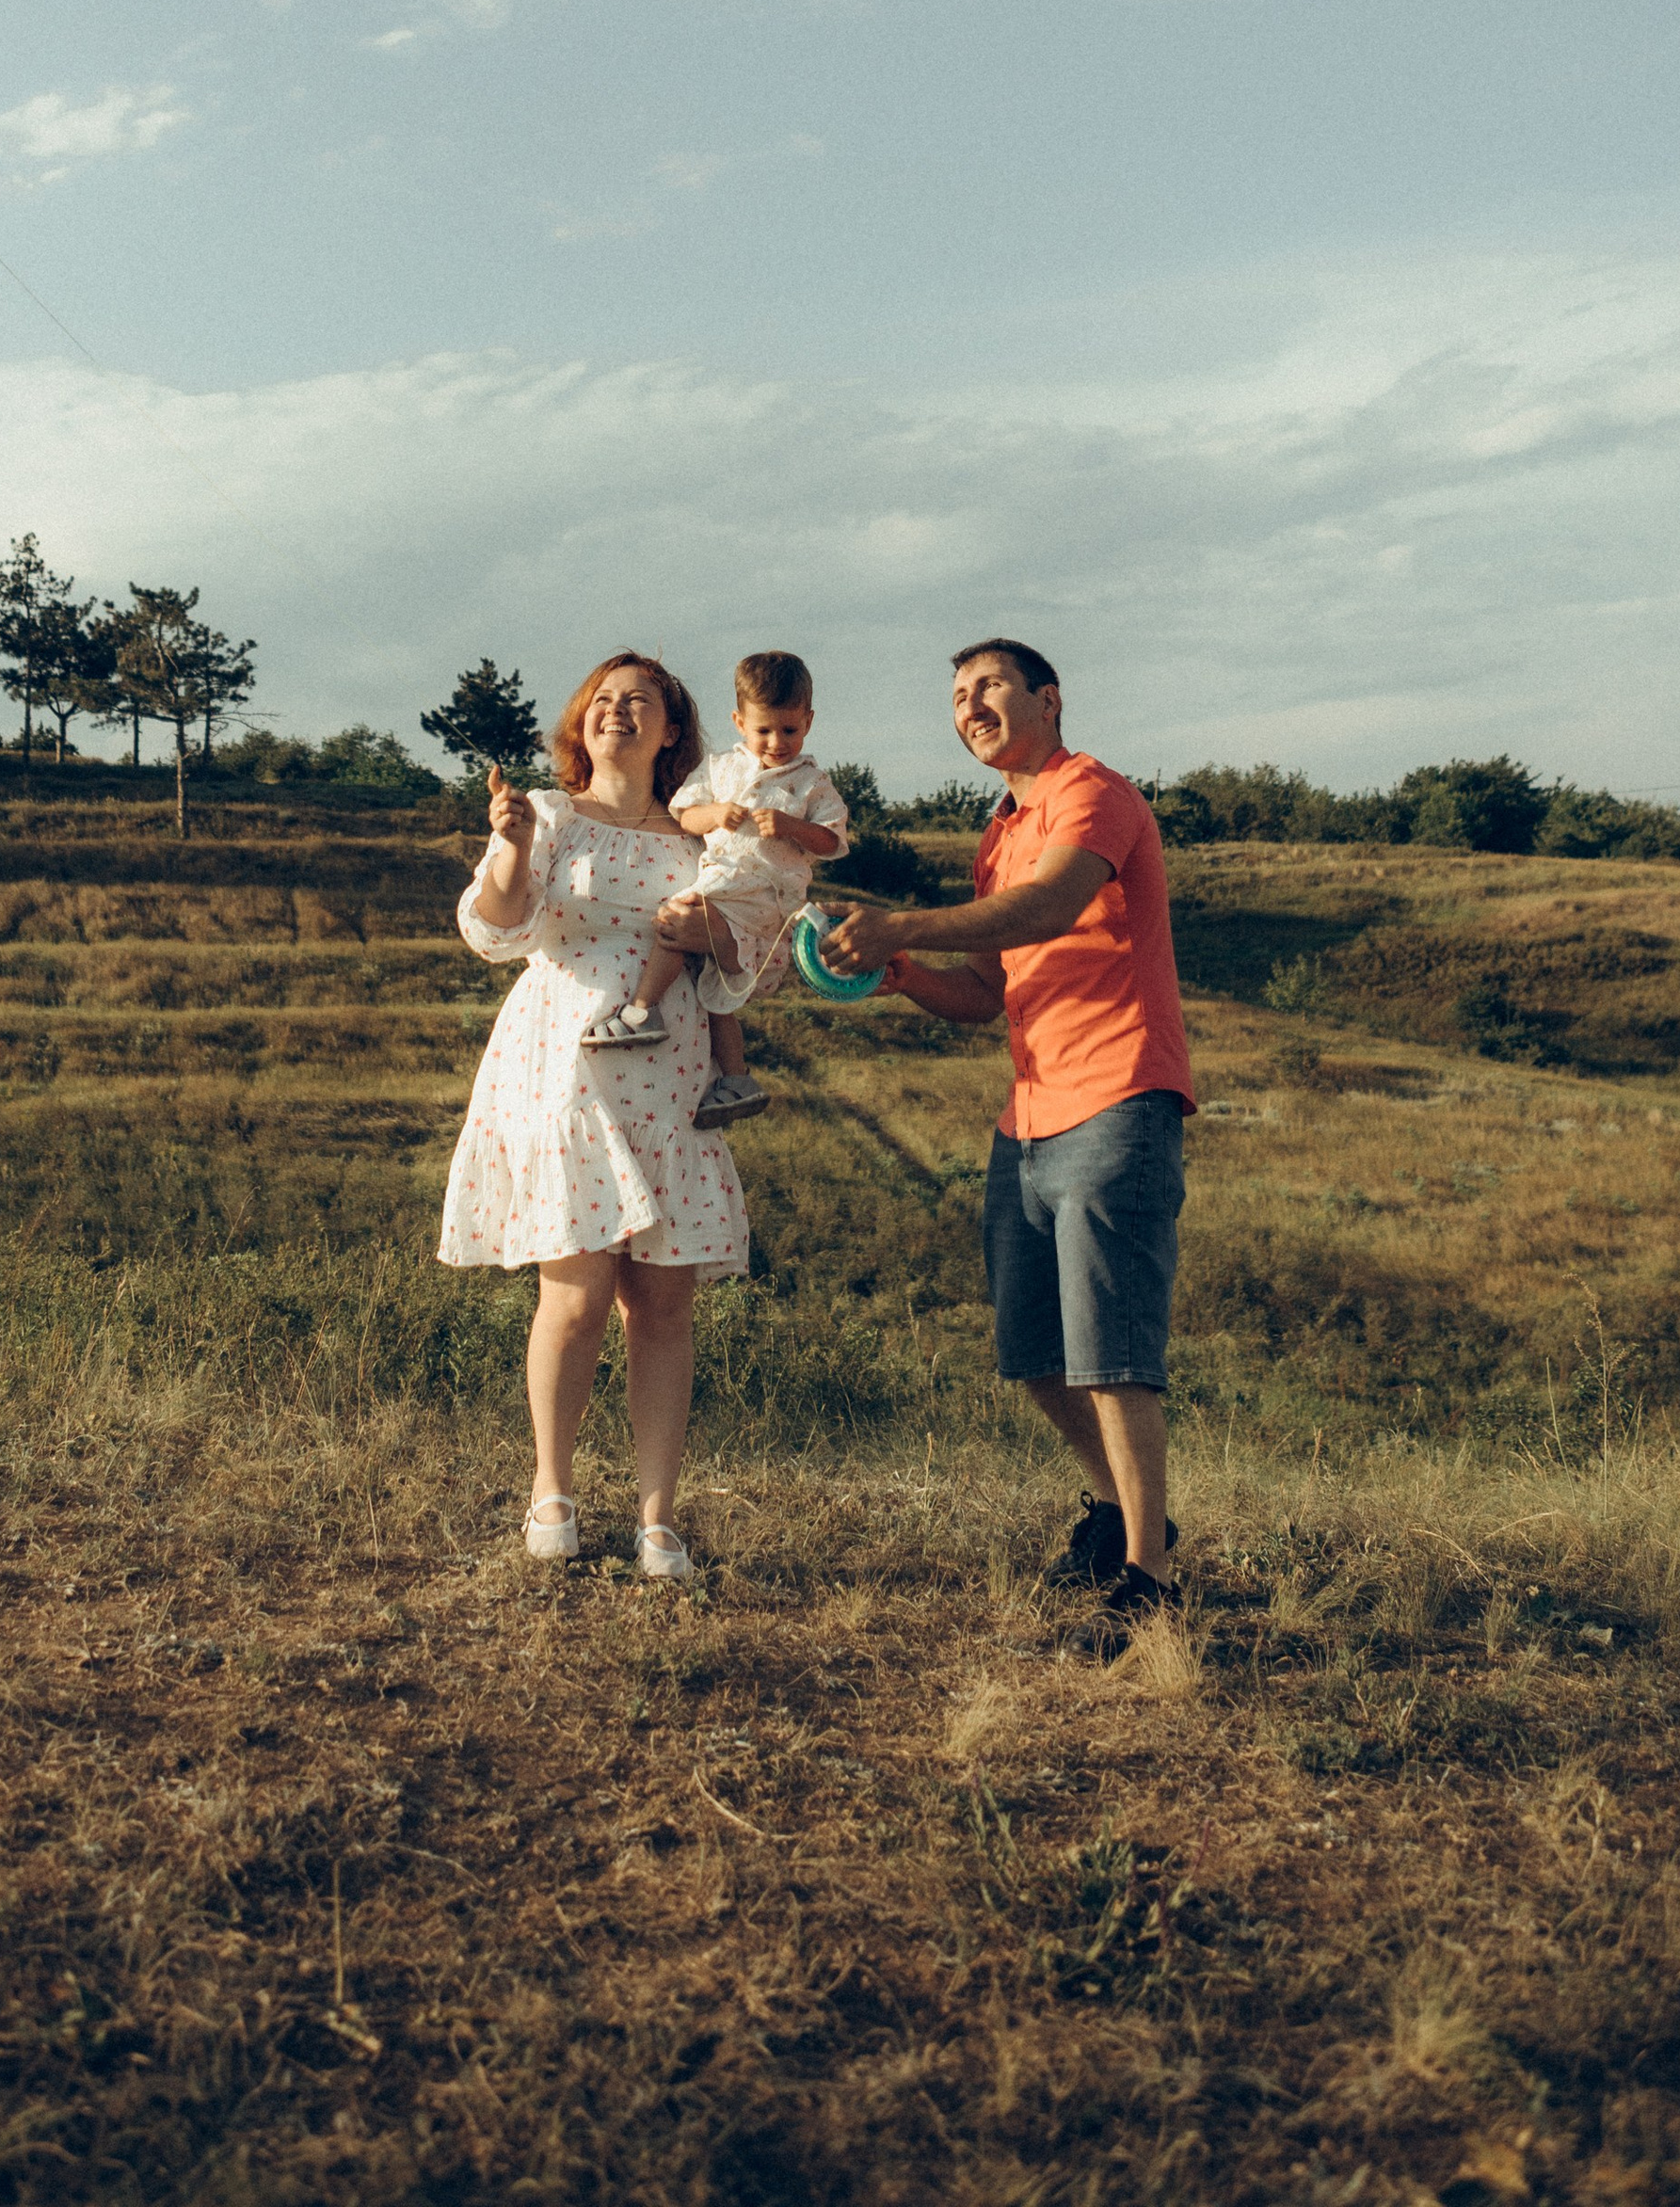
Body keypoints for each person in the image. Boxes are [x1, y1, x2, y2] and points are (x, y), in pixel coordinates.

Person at [823, 638, 1194, 1639]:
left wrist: (902, 924)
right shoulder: (1000, 831)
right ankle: (1122, 1513)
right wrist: (895, 973)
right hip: (1027, 1116)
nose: (968, 704)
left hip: (1117, 1096)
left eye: (988, 685)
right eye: (955, 695)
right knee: (1032, 1351)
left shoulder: (1092, 794)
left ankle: (1150, 1580)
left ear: (1049, 699)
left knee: (1112, 1355)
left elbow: (1051, 905)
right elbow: (984, 995)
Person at [437, 650, 747, 1581]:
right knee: (573, 1296)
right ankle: (552, 1492)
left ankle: (658, 1520)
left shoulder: (702, 838)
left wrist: (715, 933)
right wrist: (513, 844)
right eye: (603, 701)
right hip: (561, 1063)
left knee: (662, 1303)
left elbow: (744, 963)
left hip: (671, 1071)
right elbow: (492, 929)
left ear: (670, 731)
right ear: (582, 724)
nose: (618, 712)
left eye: (639, 701)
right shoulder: (549, 814)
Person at [662, 649, 848, 1128]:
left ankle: (640, 1011)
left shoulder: (812, 782)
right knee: (716, 994)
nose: (776, 742)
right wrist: (716, 813)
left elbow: (831, 841)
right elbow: (684, 814)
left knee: (679, 914)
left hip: (766, 901)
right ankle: (737, 1078)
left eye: (789, 730)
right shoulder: (720, 767)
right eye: (763, 730)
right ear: (739, 722)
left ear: (808, 721)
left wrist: (791, 826)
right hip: (724, 883)